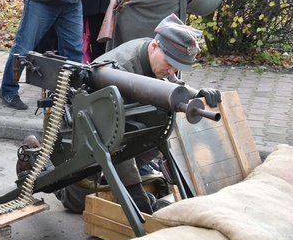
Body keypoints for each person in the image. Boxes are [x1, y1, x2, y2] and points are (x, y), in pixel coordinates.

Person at [55, 14, 222, 214]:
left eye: (176, 68)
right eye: (170, 64)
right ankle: (33, 163)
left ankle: (119, 176)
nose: (171, 72)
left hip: (117, 129)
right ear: (154, 47)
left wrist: (197, 94)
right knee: (77, 204)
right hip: (83, 135)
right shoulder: (120, 69)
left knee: (156, 131)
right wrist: (137, 199)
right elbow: (114, 141)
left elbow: (170, 85)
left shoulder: (154, 56)